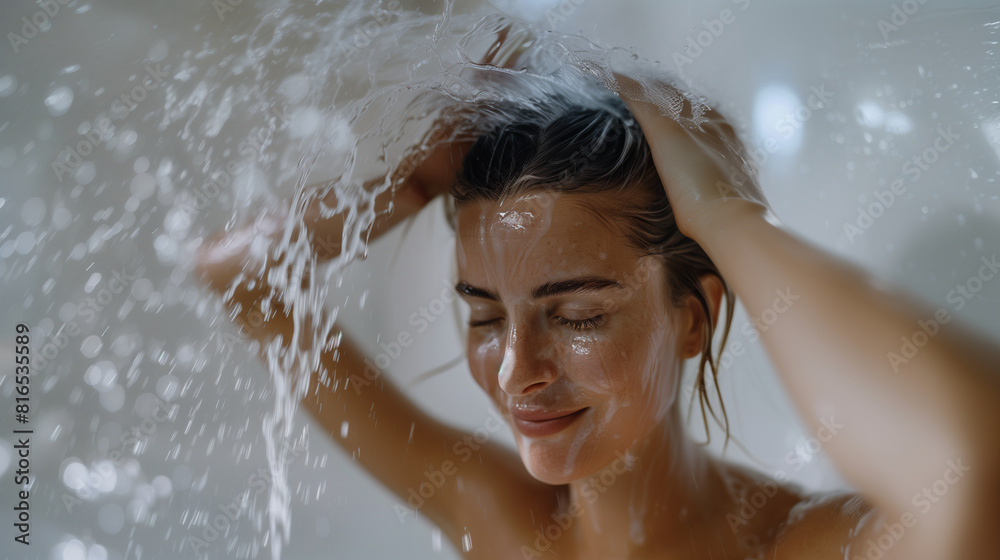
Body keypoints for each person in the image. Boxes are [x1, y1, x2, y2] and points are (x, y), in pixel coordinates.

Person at [194, 62, 1000, 559]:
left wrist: (725, 215)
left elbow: (970, 468)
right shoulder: (500, 520)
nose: (517, 371)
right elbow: (241, 277)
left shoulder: (802, 549)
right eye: (483, 317)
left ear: (692, 318)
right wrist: (417, 180)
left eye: (577, 316)